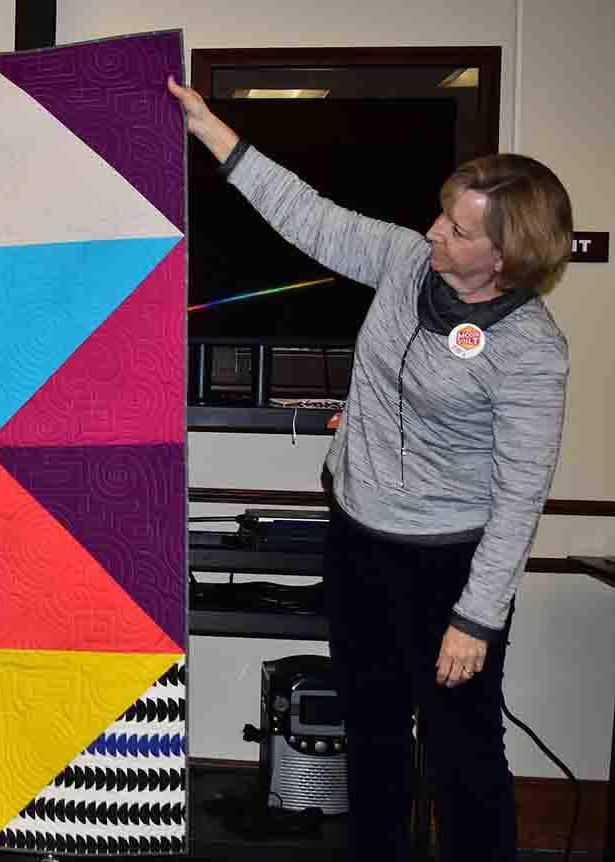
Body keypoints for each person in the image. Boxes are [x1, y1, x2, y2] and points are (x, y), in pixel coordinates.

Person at [168, 77, 572, 861]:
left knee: (462, 754)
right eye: (442, 213)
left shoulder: (531, 351)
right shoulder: (404, 262)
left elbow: (520, 497)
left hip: (449, 565)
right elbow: (307, 214)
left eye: (456, 228)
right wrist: (209, 128)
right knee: (373, 736)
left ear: (504, 256)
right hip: (360, 543)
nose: (433, 231)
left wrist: (474, 621)